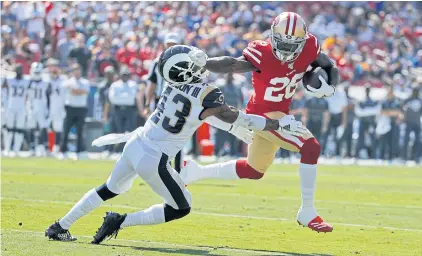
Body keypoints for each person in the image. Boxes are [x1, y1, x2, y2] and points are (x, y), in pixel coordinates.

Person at [45, 45, 295, 242]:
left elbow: (205, 115)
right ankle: (119, 221)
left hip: (136, 143)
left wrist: (234, 127)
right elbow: (226, 114)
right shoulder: (208, 93)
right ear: (187, 71)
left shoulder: (173, 84)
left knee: (108, 189)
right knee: (181, 207)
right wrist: (270, 125)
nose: (199, 62)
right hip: (155, 158)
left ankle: (60, 226)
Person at [187, 12, 339, 232]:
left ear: (303, 41)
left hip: (281, 112)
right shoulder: (263, 52)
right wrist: (206, 63)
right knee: (311, 148)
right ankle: (307, 211)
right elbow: (232, 65)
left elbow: (328, 65)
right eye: (282, 44)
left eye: (292, 45)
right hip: (263, 115)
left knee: (253, 170)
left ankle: (196, 172)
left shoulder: (309, 46)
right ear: (272, 37)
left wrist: (331, 84)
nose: (287, 50)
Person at [145, 32, 183, 172]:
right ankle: (158, 168)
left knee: (178, 135)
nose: (170, 47)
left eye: (173, 44)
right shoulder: (157, 61)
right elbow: (152, 84)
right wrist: (147, 103)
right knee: (158, 135)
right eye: (169, 44)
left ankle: (177, 170)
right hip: (161, 101)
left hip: (178, 103)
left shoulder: (185, 62)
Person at [59, 63, 90, 160]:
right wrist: (77, 91)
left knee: (80, 131)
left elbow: (83, 91)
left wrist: (75, 90)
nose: (77, 72)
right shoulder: (68, 82)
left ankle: (79, 151)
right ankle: (63, 151)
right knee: (66, 130)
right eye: (75, 70)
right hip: (70, 108)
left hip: (81, 108)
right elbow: (67, 89)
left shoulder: (85, 82)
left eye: (78, 70)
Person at [108, 67, 139, 152]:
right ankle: (118, 149)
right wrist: (126, 96)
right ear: (120, 75)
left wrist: (120, 96)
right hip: (118, 110)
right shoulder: (115, 85)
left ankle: (129, 149)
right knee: (119, 130)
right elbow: (112, 99)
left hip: (130, 109)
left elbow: (132, 97)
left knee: (131, 129)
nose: (125, 76)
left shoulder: (133, 84)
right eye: (123, 75)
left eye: (126, 75)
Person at [2, 64, 31, 157]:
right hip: (11, 106)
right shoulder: (10, 79)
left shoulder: (26, 80)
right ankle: (7, 149)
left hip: (21, 107)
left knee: (19, 129)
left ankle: (16, 149)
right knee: (9, 129)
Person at [214, 73, 244, 157]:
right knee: (221, 133)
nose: (229, 77)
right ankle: (217, 151)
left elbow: (241, 98)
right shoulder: (221, 86)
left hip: (234, 113)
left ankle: (233, 152)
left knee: (233, 133)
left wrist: (240, 110)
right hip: (223, 113)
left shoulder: (237, 86)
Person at [26, 62, 51, 157]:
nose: (36, 74)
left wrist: (48, 109)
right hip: (31, 107)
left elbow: (49, 97)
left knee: (43, 128)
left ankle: (46, 148)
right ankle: (32, 148)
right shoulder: (28, 82)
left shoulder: (46, 83)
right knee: (31, 128)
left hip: (42, 107)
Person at [354, 85, 380, 159]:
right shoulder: (361, 101)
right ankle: (357, 156)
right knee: (360, 139)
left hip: (371, 123)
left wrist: (365, 111)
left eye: (368, 90)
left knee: (373, 139)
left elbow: (376, 111)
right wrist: (370, 111)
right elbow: (358, 112)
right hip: (363, 122)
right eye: (366, 90)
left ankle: (374, 156)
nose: (367, 91)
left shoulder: (373, 101)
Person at [46, 59, 66, 154]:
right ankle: (49, 147)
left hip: (59, 107)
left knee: (58, 128)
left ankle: (57, 147)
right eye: (52, 66)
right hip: (47, 106)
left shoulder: (63, 80)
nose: (54, 68)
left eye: (55, 66)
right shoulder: (45, 79)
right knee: (48, 128)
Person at [378, 87, 402, 161]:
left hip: (393, 124)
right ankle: (381, 157)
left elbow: (398, 112)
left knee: (392, 141)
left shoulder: (396, 102)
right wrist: (392, 113)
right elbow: (382, 112)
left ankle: (391, 158)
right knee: (384, 141)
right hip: (385, 124)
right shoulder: (384, 102)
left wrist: (388, 112)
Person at [402, 88, 421, 163]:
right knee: (406, 140)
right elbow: (402, 107)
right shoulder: (408, 100)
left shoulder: (420, 100)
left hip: (417, 123)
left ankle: (416, 157)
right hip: (409, 122)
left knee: (418, 141)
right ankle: (404, 157)